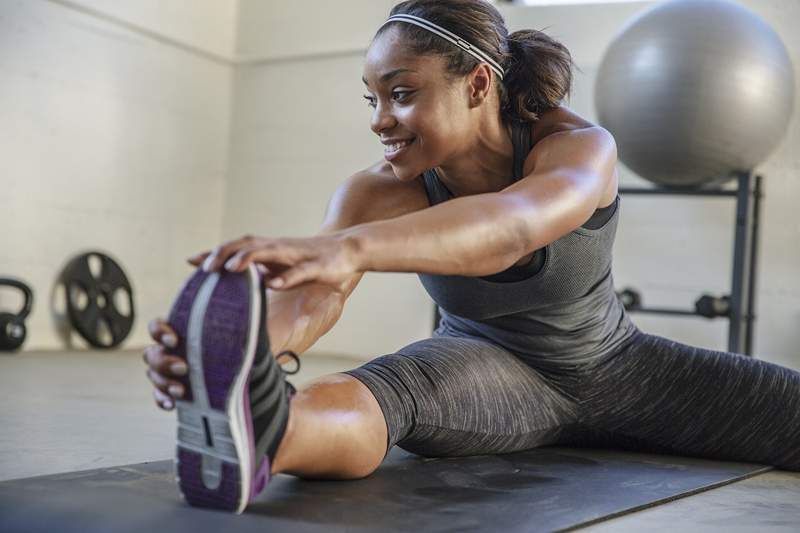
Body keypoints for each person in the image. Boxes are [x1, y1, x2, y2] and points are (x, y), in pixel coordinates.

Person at [143, 0, 800, 514]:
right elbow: (318, 293)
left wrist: (349, 247)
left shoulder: (577, 148)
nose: (379, 119)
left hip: (617, 366)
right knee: (381, 392)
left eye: (401, 93)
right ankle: (267, 434)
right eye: (372, 98)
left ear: (480, 84)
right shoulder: (379, 190)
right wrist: (238, 355)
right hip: (481, 366)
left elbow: (513, 225)